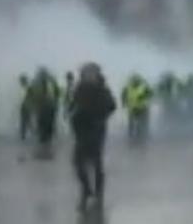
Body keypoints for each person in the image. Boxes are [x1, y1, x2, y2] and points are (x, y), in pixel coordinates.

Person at [69, 63, 117, 208]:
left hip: (96, 130)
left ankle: (98, 192)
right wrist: (73, 114)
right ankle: (86, 190)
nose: (87, 75)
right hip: (81, 130)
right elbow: (73, 104)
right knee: (78, 163)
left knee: (96, 162)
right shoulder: (79, 88)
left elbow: (112, 106)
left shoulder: (102, 89)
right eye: (85, 73)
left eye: (90, 73)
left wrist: (99, 117)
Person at [30, 68, 61, 145]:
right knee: (41, 122)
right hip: (41, 105)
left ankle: (47, 138)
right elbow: (32, 94)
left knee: (49, 122)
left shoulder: (51, 82)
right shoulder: (36, 82)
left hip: (50, 105)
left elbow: (57, 92)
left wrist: (56, 103)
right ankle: (43, 138)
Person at [121, 74, 153, 141]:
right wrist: (124, 103)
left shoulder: (144, 87)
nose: (135, 82)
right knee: (131, 124)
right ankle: (131, 136)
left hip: (143, 108)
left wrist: (144, 97)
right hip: (132, 108)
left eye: (136, 80)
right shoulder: (127, 88)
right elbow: (123, 96)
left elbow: (150, 94)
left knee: (142, 123)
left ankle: (142, 136)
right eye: (133, 80)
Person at [18, 74, 33, 141]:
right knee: (26, 122)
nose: (20, 82)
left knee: (26, 122)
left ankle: (24, 135)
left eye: (22, 81)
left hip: (27, 107)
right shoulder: (25, 87)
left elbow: (30, 97)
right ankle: (23, 135)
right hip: (25, 107)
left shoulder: (28, 87)